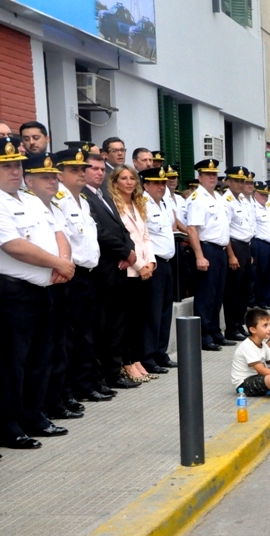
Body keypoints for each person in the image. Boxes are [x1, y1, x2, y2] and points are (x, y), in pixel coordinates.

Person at [0, 141, 74, 450]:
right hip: (12, 294)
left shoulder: (30, 200)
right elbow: (13, 246)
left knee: (40, 360)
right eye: (6, 166)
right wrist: (58, 264)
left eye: (17, 165)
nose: (14, 171)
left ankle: (33, 416)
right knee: (11, 364)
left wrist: (64, 262)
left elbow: (59, 233)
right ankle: (8, 425)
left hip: (44, 290)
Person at [23, 152, 78, 427]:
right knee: (37, 355)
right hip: (33, 285)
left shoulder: (52, 207)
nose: (52, 182)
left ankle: (54, 401)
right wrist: (59, 265)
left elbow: (62, 238)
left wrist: (64, 263)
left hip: (57, 280)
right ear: (29, 180)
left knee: (58, 347)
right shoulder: (26, 204)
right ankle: (42, 407)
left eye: (54, 178)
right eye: (45, 178)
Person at [53, 147, 106, 408]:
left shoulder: (83, 201)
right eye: (74, 170)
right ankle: (67, 390)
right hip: (70, 276)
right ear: (60, 174)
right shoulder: (59, 201)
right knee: (69, 337)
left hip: (88, 275)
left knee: (86, 333)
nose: (81, 174)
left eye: (82, 169)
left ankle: (85, 385)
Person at [83, 152, 138, 392]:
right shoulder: (84, 196)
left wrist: (130, 250)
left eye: (100, 169)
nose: (99, 172)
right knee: (101, 326)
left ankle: (113, 373)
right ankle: (99, 377)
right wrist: (125, 252)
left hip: (118, 269)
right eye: (93, 168)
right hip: (102, 270)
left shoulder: (104, 195)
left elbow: (122, 228)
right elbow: (99, 232)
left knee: (117, 325)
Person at [109, 164, 155, 384]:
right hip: (128, 268)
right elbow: (122, 240)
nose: (129, 182)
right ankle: (126, 362)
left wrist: (151, 262)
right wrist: (139, 265)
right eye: (123, 178)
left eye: (132, 178)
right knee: (125, 321)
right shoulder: (114, 205)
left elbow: (146, 236)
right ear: (115, 182)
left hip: (144, 268)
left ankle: (136, 359)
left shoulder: (138, 204)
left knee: (138, 318)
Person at [187, 159, 231, 351]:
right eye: (208, 174)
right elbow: (192, 229)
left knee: (217, 294)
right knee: (206, 296)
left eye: (214, 174)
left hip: (219, 250)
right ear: (200, 177)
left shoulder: (218, 197)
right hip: (207, 249)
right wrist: (199, 256)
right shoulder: (198, 198)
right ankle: (203, 336)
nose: (212, 177)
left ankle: (215, 332)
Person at [139, 167, 177, 375]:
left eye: (163, 183)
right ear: (146, 185)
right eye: (156, 183)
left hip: (167, 262)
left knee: (165, 311)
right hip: (153, 263)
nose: (161, 187)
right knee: (151, 313)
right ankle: (148, 356)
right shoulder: (142, 203)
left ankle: (161, 352)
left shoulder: (164, 202)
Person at [222, 166, 256, 342]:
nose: (240, 184)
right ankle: (231, 327)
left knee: (245, 289)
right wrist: (231, 255)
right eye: (236, 181)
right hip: (234, 246)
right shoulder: (226, 200)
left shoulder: (243, 199)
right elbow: (226, 230)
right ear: (228, 181)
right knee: (233, 291)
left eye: (242, 181)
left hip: (245, 246)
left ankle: (239, 324)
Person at [251, 181, 270, 309]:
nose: (264, 197)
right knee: (261, 274)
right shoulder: (254, 208)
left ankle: (268, 298)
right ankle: (261, 300)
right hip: (262, 244)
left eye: (266, 195)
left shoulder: (267, 208)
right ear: (255, 194)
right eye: (261, 194)